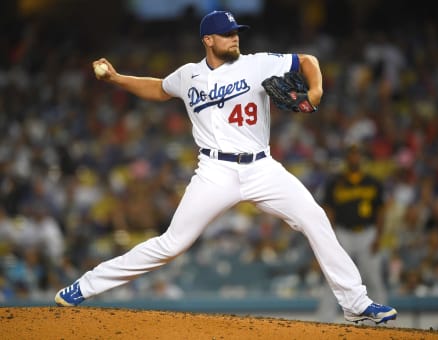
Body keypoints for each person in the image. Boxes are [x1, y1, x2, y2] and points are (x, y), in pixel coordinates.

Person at [54, 10, 397, 324]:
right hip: (214, 172)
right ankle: (84, 287)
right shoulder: (188, 76)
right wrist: (116, 78)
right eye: (227, 33)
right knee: (171, 244)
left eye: (236, 32)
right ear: (208, 40)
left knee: (314, 218)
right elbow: (159, 88)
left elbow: (307, 61)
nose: (235, 37)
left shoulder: (258, 64)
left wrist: (317, 89)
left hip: (262, 168)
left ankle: (355, 303)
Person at [323, 143, 388, 304]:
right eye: (351, 154)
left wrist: (379, 237)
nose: (354, 157)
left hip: (367, 234)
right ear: (347, 158)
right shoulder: (335, 183)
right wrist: (331, 238)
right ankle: (323, 321)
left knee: (373, 278)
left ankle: (384, 323)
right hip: (343, 233)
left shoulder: (373, 183)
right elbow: (328, 211)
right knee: (335, 277)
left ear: (361, 158)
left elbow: (380, 212)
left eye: (357, 154)